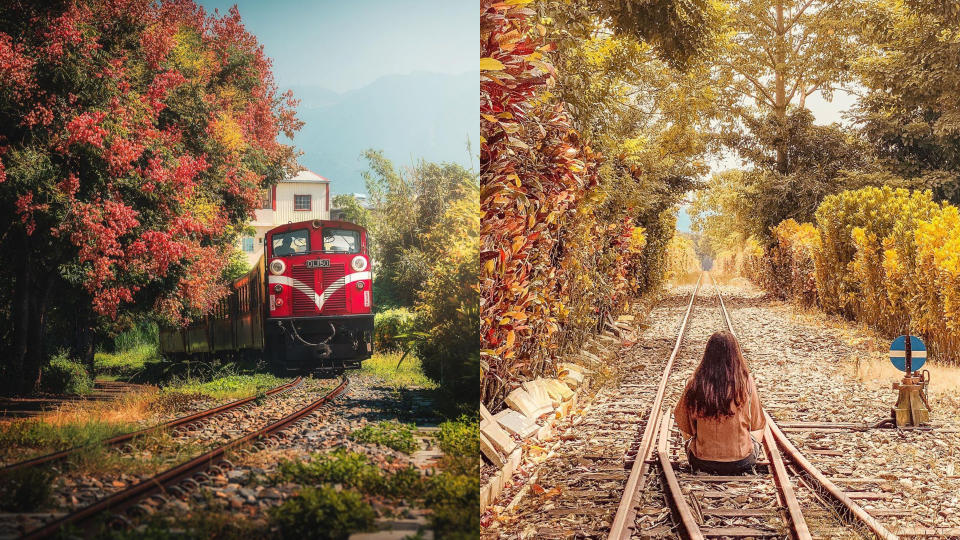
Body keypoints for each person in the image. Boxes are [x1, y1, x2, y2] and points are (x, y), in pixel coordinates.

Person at [674, 331, 765, 475]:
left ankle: (706, 448)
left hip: (702, 461)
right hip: (741, 462)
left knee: (690, 436)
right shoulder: (746, 381)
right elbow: (757, 423)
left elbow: (684, 424)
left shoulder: (695, 382)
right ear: (735, 354)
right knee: (760, 428)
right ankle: (741, 449)